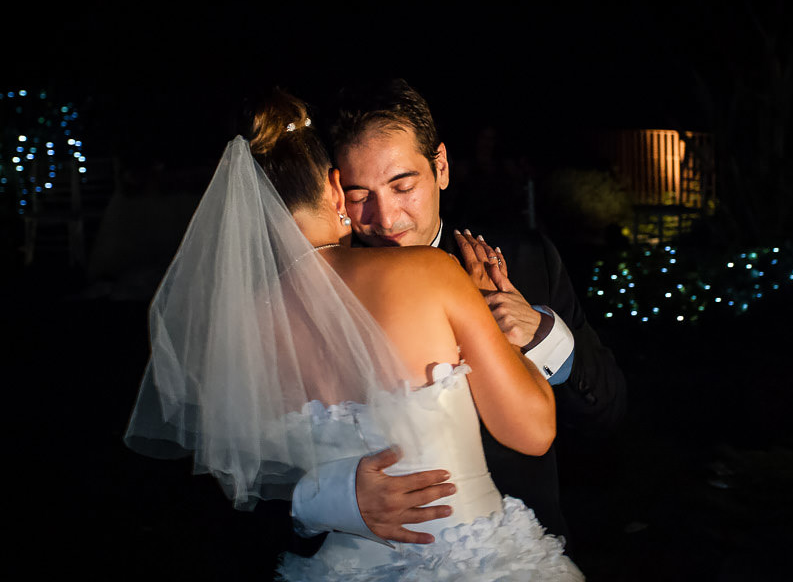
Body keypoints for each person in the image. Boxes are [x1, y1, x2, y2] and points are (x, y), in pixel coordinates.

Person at [125, 89, 583, 579]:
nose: (384, 218)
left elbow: (235, 468)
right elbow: (533, 431)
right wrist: (489, 319)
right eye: (362, 194)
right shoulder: (433, 272)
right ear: (335, 188)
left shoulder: (244, 325)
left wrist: (326, 494)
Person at [289, 79, 627, 556]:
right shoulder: (309, 295)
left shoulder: (527, 260)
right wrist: (335, 495)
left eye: (403, 185)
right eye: (360, 194)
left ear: (441, 167)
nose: (386, 218)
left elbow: (607, 415)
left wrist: (543, 338)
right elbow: (241, 455)